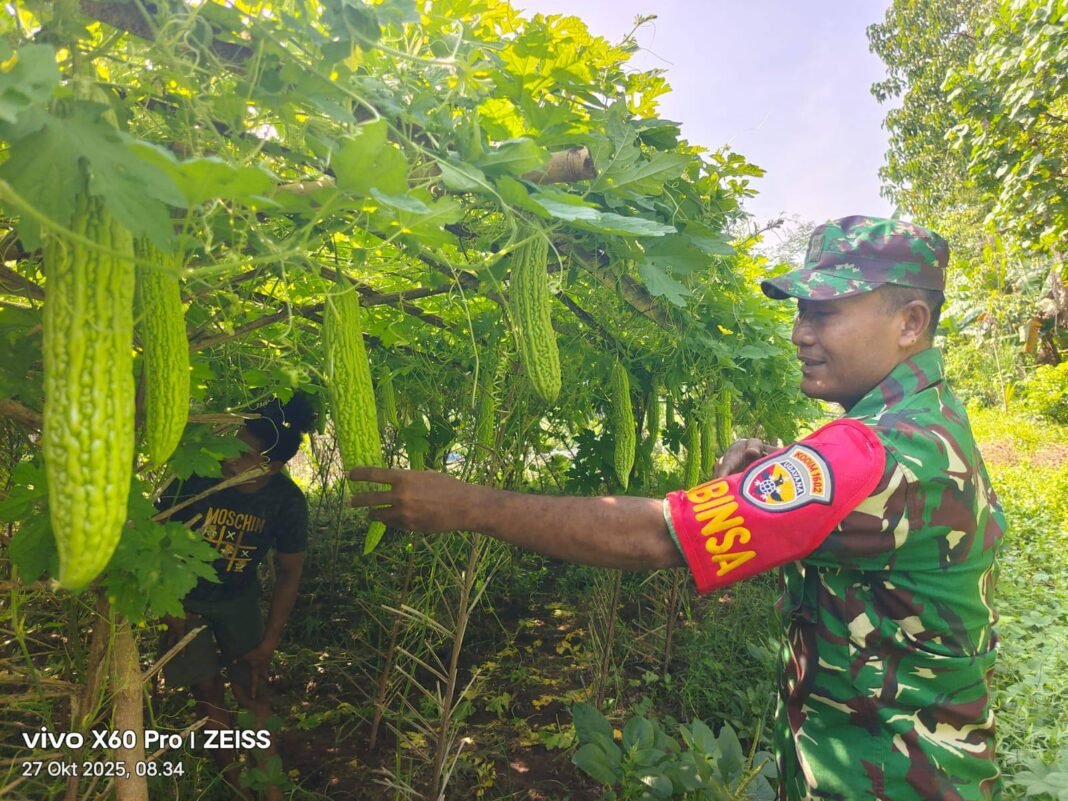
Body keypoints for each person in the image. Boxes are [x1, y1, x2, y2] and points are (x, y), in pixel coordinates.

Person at [348, 216, 1006, 801]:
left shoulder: (869, 448)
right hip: (918, 762)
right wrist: (781, 467)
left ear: (911, 321)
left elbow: (658, 536)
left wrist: (470, 503)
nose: (800, 332)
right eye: (800, 311)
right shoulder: (928, 424)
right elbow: (867, 501)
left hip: (883, 777)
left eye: (825, 312)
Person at [158, 392, 317, 801]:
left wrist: (269, 641)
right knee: (207, 696)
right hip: (183, 601)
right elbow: (154, 543)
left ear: (275, 465)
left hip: (238, 601)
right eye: (233, 446)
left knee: (252, 693)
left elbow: (289, 572)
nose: (230, 459)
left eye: (244, 455)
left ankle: (271, 789)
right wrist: (169, 612)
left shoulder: (286, 502)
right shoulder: (194, 477)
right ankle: (232, 783)